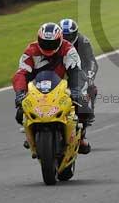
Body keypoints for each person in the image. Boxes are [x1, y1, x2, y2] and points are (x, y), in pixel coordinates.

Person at [12, 22, 94, 154]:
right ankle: (31, 136)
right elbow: (21, 73)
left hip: (62, 87)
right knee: (20, 113)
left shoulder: (68, 49)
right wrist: (20, 92)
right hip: (37, 89)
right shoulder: (31, 51)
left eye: (51, 43)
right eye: (44, 42)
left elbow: (75, 72)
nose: (48, 46)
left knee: (84, 108)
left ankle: (80, 137)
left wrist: (76, 90)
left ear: (60, 40)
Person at [59, 18, 98, 107]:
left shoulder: (83, 41)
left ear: (75, 34)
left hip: (80, 68)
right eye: (64, 36)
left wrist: (90, 75)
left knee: (86, 86)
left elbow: (91, 60)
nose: (67, 40)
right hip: (62, 67)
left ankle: (85, 102)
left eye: (69, 36)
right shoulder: (55, 43)